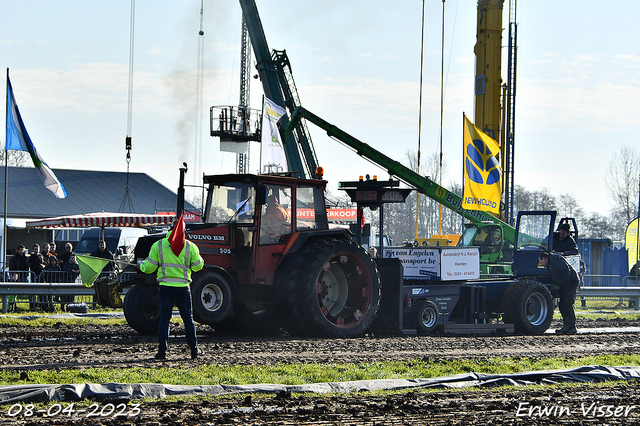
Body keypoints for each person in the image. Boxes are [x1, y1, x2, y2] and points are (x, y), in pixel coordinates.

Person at [139, 221, 204, 360]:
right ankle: (194, 351)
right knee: (188, 320)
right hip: (182, 289)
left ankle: (162, 352)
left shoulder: (159, 245)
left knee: (164, 320)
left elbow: (149, 267)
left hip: (165, 288)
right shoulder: (190, 246)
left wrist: (142, 266)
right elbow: (198, 267)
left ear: (170, 229)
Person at [539, 251, 579, 335]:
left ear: (545, 258)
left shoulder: (554, 259)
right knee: (562, 305)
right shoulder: (551, 263)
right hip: (566, 284)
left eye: (541, 261)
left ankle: (572, 327)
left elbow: (565, 270)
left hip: (571, 282)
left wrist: (565, 285)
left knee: (567, 304)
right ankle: (566, 327)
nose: (541, 263)